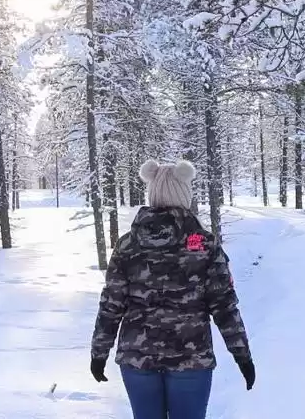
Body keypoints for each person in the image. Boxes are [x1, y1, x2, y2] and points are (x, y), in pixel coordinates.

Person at [89, 159, 255, 419]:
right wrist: (242, 354)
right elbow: (223, 305)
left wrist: (99, 351)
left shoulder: (127, 245)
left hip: (137, 358)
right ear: (184, 195)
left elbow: (112, 303)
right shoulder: (205, 245)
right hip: (191, 359)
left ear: (152, 194)